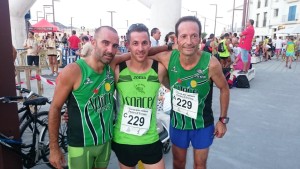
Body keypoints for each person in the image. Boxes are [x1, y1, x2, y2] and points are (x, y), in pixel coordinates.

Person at [49, 26, 172, 169]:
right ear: (93, 42)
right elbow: (55, 108)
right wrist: (54, 148)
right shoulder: (73, 70)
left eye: (114, 46)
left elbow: (140, 52)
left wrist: (168, 47)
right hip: (81, 144)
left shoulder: (111, 65)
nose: (110, 50)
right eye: (105, 43)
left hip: (105, 142)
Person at [151, 16, 230, 169]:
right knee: (178, 163)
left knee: (200, 164)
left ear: (200, 38)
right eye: (184, 36)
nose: (189, 41)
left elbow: (224, 89)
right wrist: (168, 46)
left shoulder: (211, 63)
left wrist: (222, 120)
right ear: (177, 39)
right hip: (178, 124)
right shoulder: (168, 58)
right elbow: (142, 52)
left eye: (194, 36)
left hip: (202, 124)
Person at [112, 23, 169, 169]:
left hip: (150, 139)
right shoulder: (117, 70)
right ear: (128, 45)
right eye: (135, 43)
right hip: (124, 140)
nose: (141, 48)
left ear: (150, 44)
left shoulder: (159, 69)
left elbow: (178, 86)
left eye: (144, 43)